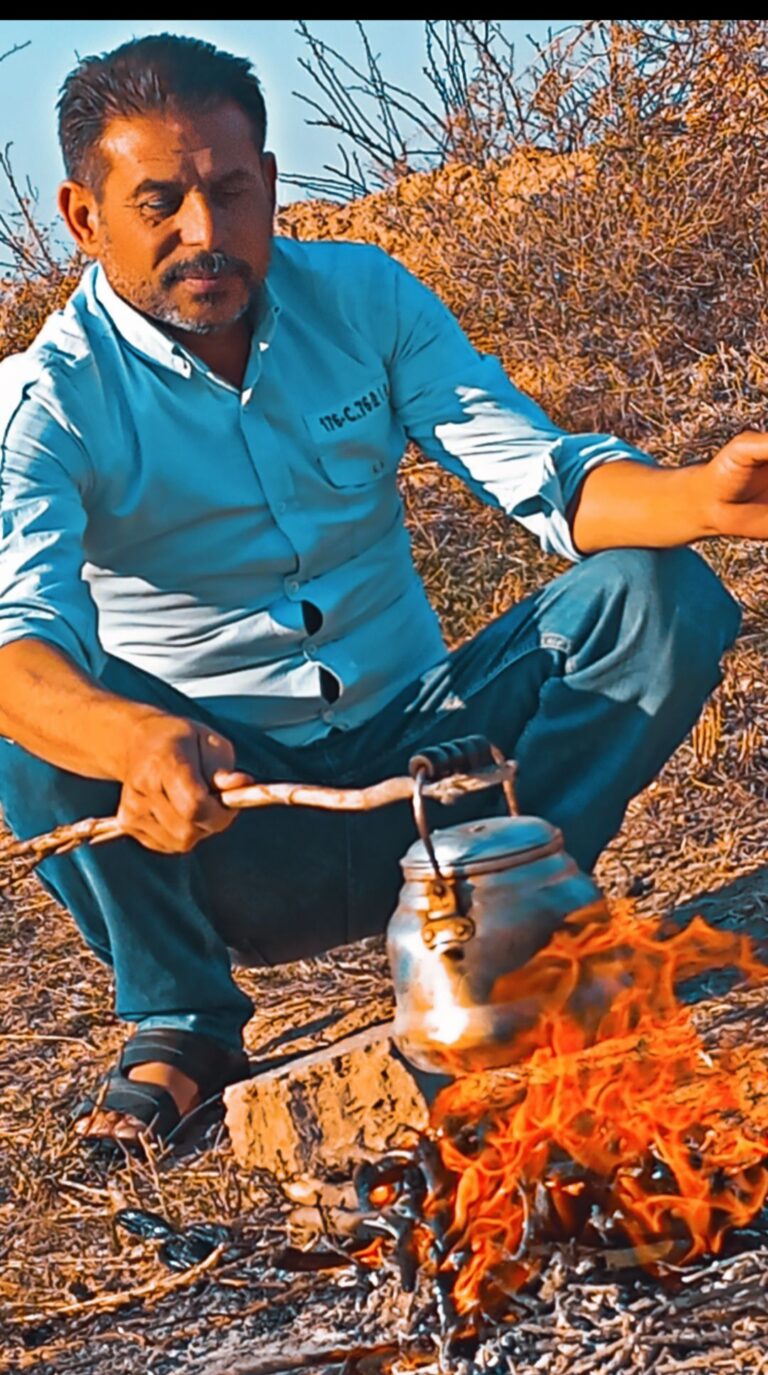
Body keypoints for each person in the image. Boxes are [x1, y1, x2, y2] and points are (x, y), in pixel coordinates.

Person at [0, 32, 763, 1147]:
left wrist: (706, 498)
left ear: (271, 183)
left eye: (231, 191)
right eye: (159, 203)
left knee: (659, 593)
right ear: (84, 216)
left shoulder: (363, 299)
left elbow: (543, 477)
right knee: (33, 723)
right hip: (231, 819)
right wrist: (134, 743)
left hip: (435, 768)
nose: (205, 233)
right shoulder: (49, 401)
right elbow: (18, 638)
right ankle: (184, 1022)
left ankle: (515, 924)